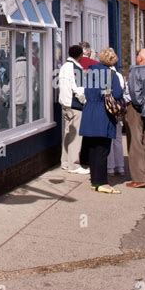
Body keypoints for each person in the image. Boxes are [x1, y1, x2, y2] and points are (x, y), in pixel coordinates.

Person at [80, 48, 124, 194]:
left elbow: (86, 92)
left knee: (92, 148)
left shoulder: (90, 73)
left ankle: (94, 181)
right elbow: (117, 94)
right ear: (112, 61)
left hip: (89, 112)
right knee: (102, 150)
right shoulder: (112, 75)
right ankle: (102, 182)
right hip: (103, 114)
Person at [125, 48, 145, 188]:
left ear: (140, 59)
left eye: (138, 55)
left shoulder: (135, 71)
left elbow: (135, 95)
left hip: (137, 110)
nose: (136, 56)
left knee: (135, 142)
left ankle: (139, 178)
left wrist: (143, 106)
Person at [58, 45, 89, 174]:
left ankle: (65, 162)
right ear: (80, 55)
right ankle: (74, 165)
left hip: (64, 103)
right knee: (75, 136)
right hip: (75, 105)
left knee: (67, 133)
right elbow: (79, 90)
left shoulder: (64, 66)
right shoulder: (77, 69)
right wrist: (85, 101)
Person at [106, 55, 126, 177]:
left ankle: (110, 168)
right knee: (118, 139)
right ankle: (120, 166)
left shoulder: (104, 74)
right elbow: (121, 92)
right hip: (117, 110)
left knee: (109, 139)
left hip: (108, 109)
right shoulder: (118, 75)